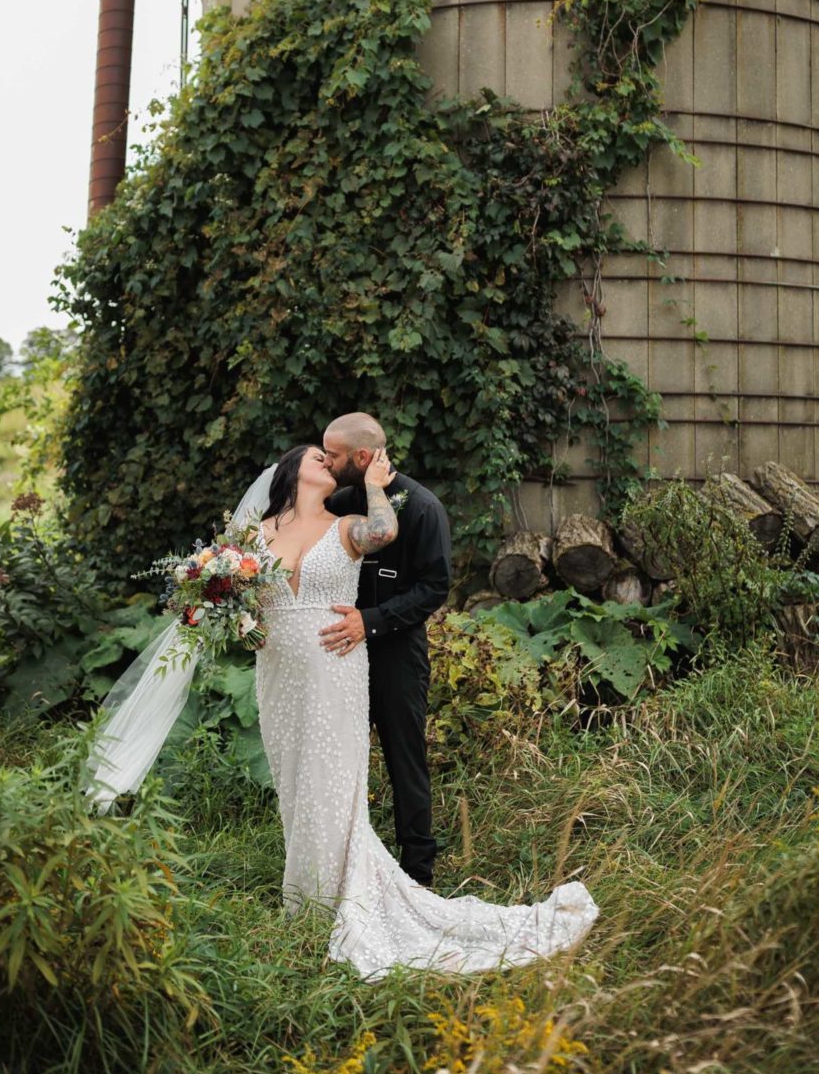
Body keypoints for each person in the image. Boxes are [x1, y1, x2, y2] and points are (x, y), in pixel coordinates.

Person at [252, 441, 597, 979]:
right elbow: (245, 595)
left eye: (334, 454)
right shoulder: (258, 533)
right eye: (318, 457)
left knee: (352, 773)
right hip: (279, 678)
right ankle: (306, 893)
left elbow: (398, 548)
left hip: (340, 666)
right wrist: (231, 615)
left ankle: (394, 881)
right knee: (294, 779)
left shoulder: (360, 517)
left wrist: (374, 491)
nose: (328, 462)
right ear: (290, 473)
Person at [316, 412, 448, 885]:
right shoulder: (340, 501)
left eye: (333, 455)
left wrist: (370, 621)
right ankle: (348, 865)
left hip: (396, 655)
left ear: (363, 457)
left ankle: (418, 872)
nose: (327, 462)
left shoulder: (424, 508)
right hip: (338, 653)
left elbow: (435, 588)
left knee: (404, 758)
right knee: (338, 757)